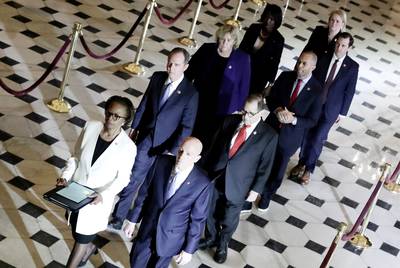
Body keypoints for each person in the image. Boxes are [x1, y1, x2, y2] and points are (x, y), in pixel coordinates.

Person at [108, 47, 199, 230]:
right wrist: (134, 128)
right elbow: (144, 103)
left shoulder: (190, 93)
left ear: (185, 67)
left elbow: (186, 126)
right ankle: (119, 216)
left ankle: (134, 220)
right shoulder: (157, 78)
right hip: (147, 139)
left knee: (149, 186)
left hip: (166, 147)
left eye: (176, 64)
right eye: (169, 63)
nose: (171, 67)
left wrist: (173, 151)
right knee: (133, 178)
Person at [56, 96, 136, 267]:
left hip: (95, 203)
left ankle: (85, 249)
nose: (110, 118)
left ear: (125, 120)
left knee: (80, 242)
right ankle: (91, 246)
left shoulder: (128, 147)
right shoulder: (91, 127)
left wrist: (103, 195)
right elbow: (75, 157)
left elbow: (123, 179)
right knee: (77, 232)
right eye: (108, 113)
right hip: (75, 194)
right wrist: (65, 176)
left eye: (116, 116)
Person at [199, 94, 278, 264]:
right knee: (210, 211)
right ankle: (211, 237)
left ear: (260, 114)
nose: (245, 116)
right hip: (217, 175)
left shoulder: (269, 136)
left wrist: (256, 190)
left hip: (240, 184)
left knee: (229, 218)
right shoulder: (229, 121)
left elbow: (265, 167)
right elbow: (213, 146)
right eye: (244, 111)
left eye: (250, 113)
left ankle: (222, 244)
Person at [124, 137, 212, 268]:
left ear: (197, 158)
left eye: (188, 154)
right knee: (136, 262)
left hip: (171, 238)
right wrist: (133, 220)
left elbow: (198, 220)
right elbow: (145, 194)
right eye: (180, 151)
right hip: (148, 228)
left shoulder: (202, 183)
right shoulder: (161, 162)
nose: (181, 157)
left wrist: (189, 250)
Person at [289, 32, 359, 184]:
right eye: (338, 44)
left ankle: (309, 168)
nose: (339, 48)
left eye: (343, 46)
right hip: (314, 104)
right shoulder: (324, 56)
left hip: (331, 109)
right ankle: (301, 163)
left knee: (318, 138)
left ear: (349, 48)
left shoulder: (353, 67)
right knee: (306, 134)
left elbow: (350, 90)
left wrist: (343, 113)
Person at [257, 51, 323, 211]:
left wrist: (293, 120)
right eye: (299, 61)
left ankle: (266, 196)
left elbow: (312, 120)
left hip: (290, 137)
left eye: (304, 64)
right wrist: (278, 109)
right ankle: (252, 190)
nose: (299, 66)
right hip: (270, 129)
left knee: (278, 169)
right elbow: (271, 99)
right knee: (260, 161)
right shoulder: (286, 76)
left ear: (313, 67)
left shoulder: (317, 90)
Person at [185, 24, 251, 145]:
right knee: (192, 130)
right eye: (222, 39)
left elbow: (244, 86)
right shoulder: (207, 49)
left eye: (229, 40)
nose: (225, 43)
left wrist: (240, 109)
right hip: (200, 99)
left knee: (210, 137)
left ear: (234, 42)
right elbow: (190, 71)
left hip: (223, 107)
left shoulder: (242, 59)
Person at [240, 3, 284, 94]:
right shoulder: (253, 28)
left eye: (272, 19)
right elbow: (241, 49)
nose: (268, 21)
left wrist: (270, 84)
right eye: (267, 17)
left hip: (259, 77)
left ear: (277, 21)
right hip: (243, 70)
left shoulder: (278, 40)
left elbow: (275, 62)